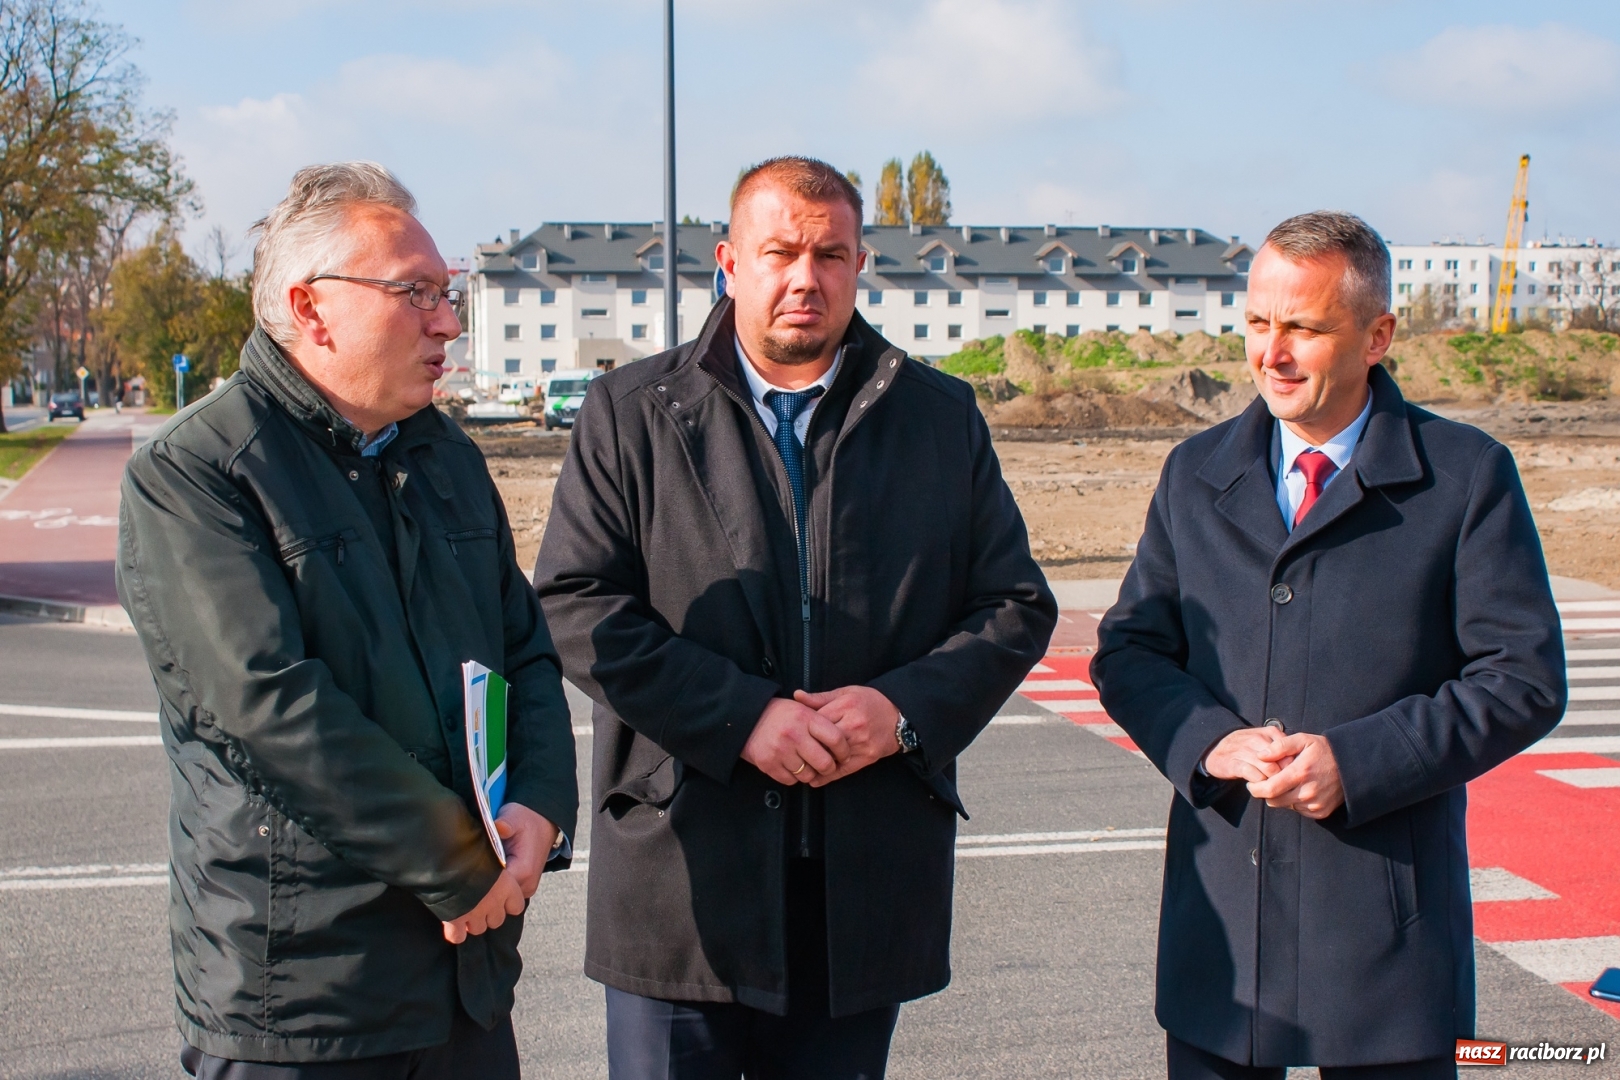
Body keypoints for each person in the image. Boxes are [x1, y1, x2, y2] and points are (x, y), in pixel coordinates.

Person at [534, 156, 1056, 1079]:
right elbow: (578, 606)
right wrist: (744, 718)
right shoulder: (630, 412)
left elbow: (1012, 606)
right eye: (780, 252)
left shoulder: (940, 418)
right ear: (730, 264)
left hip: (859, 882)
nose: (805, 278)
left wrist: (898, 714)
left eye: (831, 254)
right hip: (683, 874)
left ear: (861, 265)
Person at [117, 162, 578, 1079]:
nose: (448, 323)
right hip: (303, 1003)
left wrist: (541, 806)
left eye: (447, 296)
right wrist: (461, 866)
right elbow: (269, 709)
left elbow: (525, 650)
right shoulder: (198, 472)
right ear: (311, 306)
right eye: (416, 294)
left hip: (466, 984)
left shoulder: (446, 454)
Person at [1092, 211, 1566, 1079]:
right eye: (1258, 325)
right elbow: (1129, 651)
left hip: (1386, 930)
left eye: (1303, 328)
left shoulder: (1463, 476)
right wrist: (1208, 742)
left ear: (1377, 335)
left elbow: (1522, 678)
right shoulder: (1194, 474)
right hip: (1223, 929)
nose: (1271, 354)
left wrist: (1360, 760)